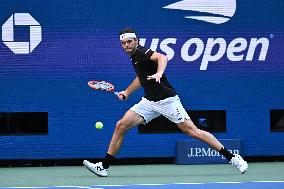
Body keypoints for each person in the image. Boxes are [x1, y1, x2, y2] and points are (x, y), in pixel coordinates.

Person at [83, 28, 248, 177]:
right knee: (121, 125)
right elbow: (141, 78)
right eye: (123, 43)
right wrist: (126, 92)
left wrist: (159, 73)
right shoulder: (135, 58)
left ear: (136, 41)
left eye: (129, 42)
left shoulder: (141, 52)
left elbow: (162, 57)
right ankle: (103, 166)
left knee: (193, 132)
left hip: (167, 100)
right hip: (149, 101)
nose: (126, 45)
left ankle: (232, 157)